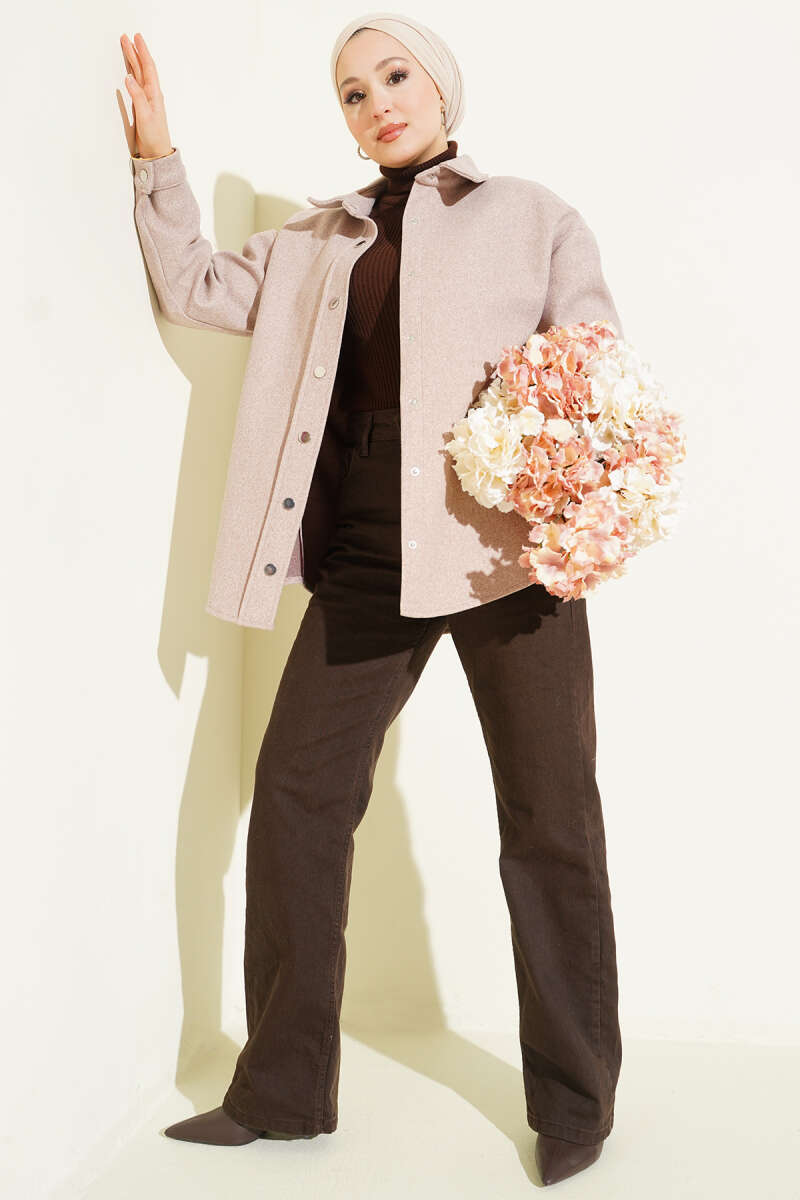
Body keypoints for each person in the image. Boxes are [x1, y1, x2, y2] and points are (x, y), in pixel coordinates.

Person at [120, 12, 623, 1186]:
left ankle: (575, 1102)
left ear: (439, 88)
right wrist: (155, 159)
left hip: (506, 563)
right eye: (352, 93)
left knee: (549, 820)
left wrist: (565, 492)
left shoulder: (529, 215)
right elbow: (194, 287)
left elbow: (594, 366)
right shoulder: (313, 242)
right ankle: (282, 1091)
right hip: (361, 564)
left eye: (393, 76)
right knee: (296, 798)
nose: (377, 102)